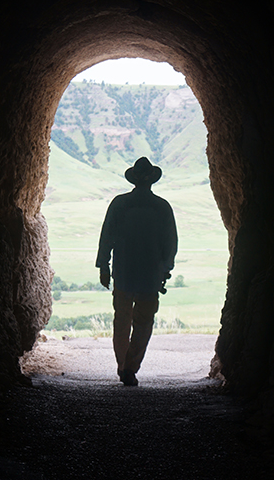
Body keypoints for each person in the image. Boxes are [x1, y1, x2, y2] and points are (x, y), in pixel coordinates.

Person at [96, 157, 178, 386]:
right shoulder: (162, 207)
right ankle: (131, 368)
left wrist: (104, 265)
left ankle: (122, 365)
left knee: (121, 320)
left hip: (123, 273)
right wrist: (165, 269)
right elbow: (170, 243)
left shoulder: (120, 203)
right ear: (152, 180)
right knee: (143, 323)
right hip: (151, 276)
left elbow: (107, 236)